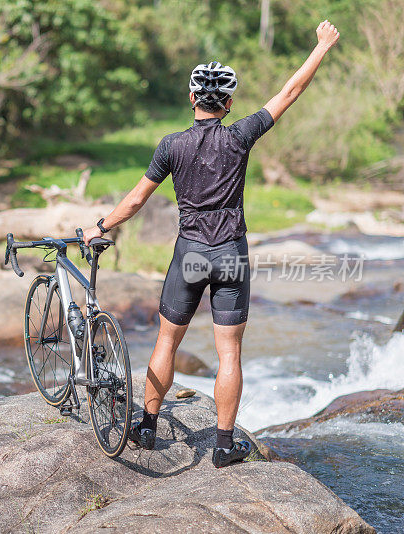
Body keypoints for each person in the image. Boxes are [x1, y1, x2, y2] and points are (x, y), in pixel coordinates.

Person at [83, 21, 340, 468]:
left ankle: (146, 425)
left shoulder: (171, 145)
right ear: (229, 103)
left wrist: (100, 226)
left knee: (166, 342)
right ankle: (223, 445)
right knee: (229, 353)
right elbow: (291, 91)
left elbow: (136, 200)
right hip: (231, 254)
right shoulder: (240, 136)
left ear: (192, 99)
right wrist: (321, 46)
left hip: (190, 254)